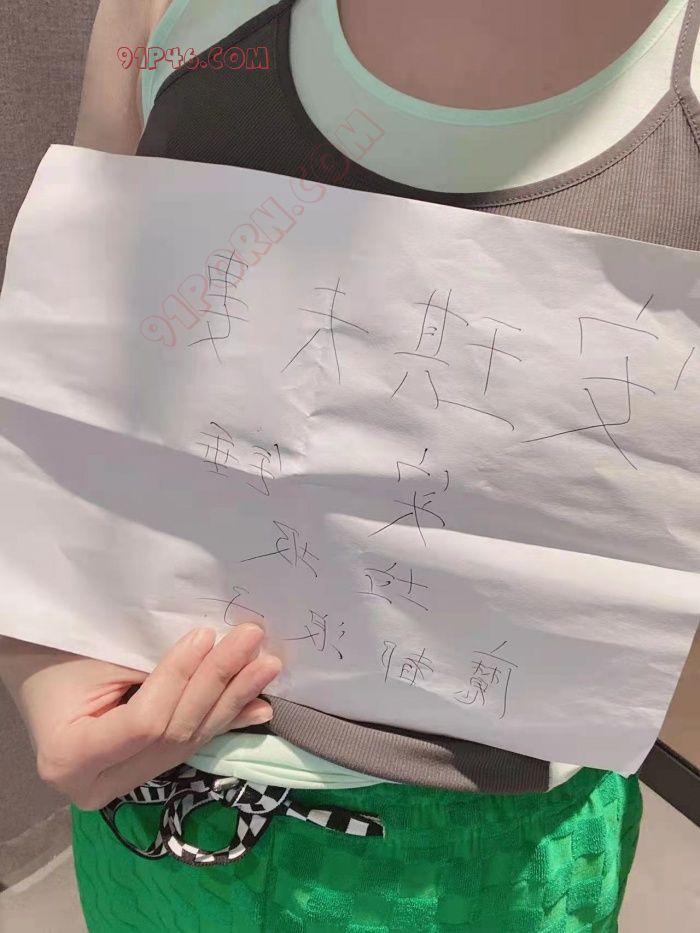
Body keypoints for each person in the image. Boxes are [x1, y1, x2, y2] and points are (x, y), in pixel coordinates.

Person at [3, 0, 699, 929]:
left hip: (494, 857)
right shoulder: (167, 9)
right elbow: (67, 373)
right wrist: (41, 670)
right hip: (151, 806)